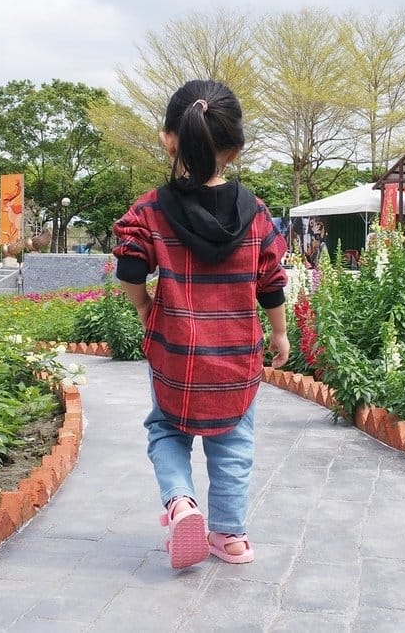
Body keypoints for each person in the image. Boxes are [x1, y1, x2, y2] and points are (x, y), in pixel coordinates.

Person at [113, 80, 290, 570]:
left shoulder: (151, 210)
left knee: (166, 430)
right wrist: (279, 333)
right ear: (235, 150)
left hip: (175, 353)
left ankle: (180, 502)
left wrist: (144, 306)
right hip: (237, 356)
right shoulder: (256, 215)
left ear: (169, 140)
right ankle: (230, 537)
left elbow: (129, 266)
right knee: (233, 442)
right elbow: (271, 282)